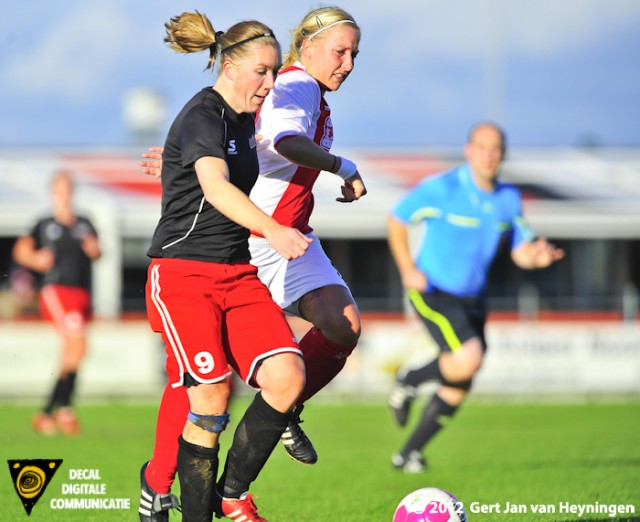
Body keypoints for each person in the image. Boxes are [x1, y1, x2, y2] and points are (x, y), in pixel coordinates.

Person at [139, 3, 366, 497]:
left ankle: (277, 421)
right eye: (339, 51)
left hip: (293, 233)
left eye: (354, 54)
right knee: (207, 383)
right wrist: (343, 167)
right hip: (259, 238)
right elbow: (285, 140)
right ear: (306, 48)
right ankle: (160, 484)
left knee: (340, 325)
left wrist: (185, 157)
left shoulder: (299, 89)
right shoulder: (297, 83)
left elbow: (240, 136)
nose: (348, 63)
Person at [387, 122, 565, 473]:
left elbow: (520, 249)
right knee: (469, 358)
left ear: (503, 155)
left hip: (474, 297)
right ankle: (410, 379)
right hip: (433, 290)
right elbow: (397, 219)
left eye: (496, 148)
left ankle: (407, 454)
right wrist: (408, 268)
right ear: (469, 150)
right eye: (483, 147)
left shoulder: (508, 198)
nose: (489, 155)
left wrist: (535, 256)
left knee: (460, 382)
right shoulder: (443, 188)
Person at [12, 171, 101, 436]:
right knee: (78, 343)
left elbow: (97, 251)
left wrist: (94, 250)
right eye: (60, 188)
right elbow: (21, 250)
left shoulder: (84, 222)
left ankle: (55, 411)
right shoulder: (44, 224)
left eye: (68, 188)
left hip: (81, 293)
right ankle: (57, 410)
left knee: (73, 352)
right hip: (57, 290)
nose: (65, 193)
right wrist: (35, 259)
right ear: (53, 191)